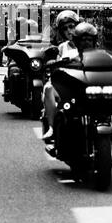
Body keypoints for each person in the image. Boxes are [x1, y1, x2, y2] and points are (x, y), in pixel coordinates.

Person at [41, 10, 80, 142]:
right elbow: (54, 60)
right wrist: (52, 62)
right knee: (48, 89)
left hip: (86, 83)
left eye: (72, 26)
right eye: (65, 28)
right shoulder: (62, 47)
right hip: (67, 85)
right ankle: (52, 128)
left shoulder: (89, 43)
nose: (69, 31)